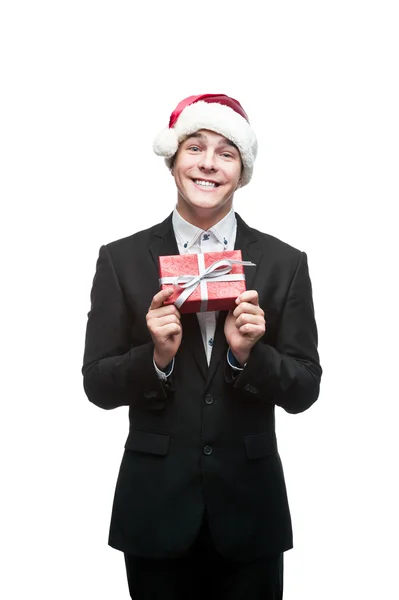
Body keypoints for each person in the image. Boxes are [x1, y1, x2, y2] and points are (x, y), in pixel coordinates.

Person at [82, 93, 322, 599]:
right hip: (155, 510)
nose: (208, 163)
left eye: (226, 152)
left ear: (243, 170)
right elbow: (97, 383)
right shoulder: (121, 259)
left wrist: (249, 354)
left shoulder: (285, 263)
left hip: (250, 512)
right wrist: (156, 359)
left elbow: (304, 388)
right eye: (196, 147)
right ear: (174, 160)